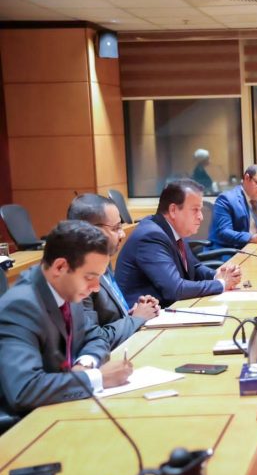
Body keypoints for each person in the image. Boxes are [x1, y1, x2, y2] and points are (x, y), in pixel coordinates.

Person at [0, 221, 133, 423]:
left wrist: (85, 363)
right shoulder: (20, 306)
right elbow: (25, 389)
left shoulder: (67, 290)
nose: (96, 287)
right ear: (60, 267)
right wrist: (98, 378)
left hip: (67, 406)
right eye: (90, 277)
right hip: (26, 424)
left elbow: (95, 337)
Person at [116, 179, 242, 307]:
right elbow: (175, 290)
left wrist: (216, 275)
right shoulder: (151, 237)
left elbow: (194, 268)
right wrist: (221, 284)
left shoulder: (173, 230)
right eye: (195, 210)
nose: (201, 217)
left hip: (171, 307)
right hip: (147, 315)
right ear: (173, 210)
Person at [67, 194, 160, 348]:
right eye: (116, 228)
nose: (122, 234)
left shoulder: (102, 259)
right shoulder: (74, 275)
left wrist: (136, 312)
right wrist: (136, 319)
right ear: (90, 231)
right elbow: (92, 340)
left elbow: (108, 320)